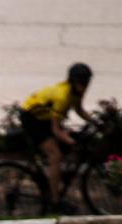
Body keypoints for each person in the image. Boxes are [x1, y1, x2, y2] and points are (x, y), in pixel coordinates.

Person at [19, 62, 93, 206]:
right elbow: (56, 130)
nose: (85, 86)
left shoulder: (75, 92)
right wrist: (71, 141)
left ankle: (53, 177)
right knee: (55, 154)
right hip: (31, 117)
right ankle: (55, 201)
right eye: (82, 83)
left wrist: (95, 121)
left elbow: (79, 109)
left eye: (87, 82)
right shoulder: (62, 97)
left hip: (44, 116)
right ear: (74, 82)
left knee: (64, 146)